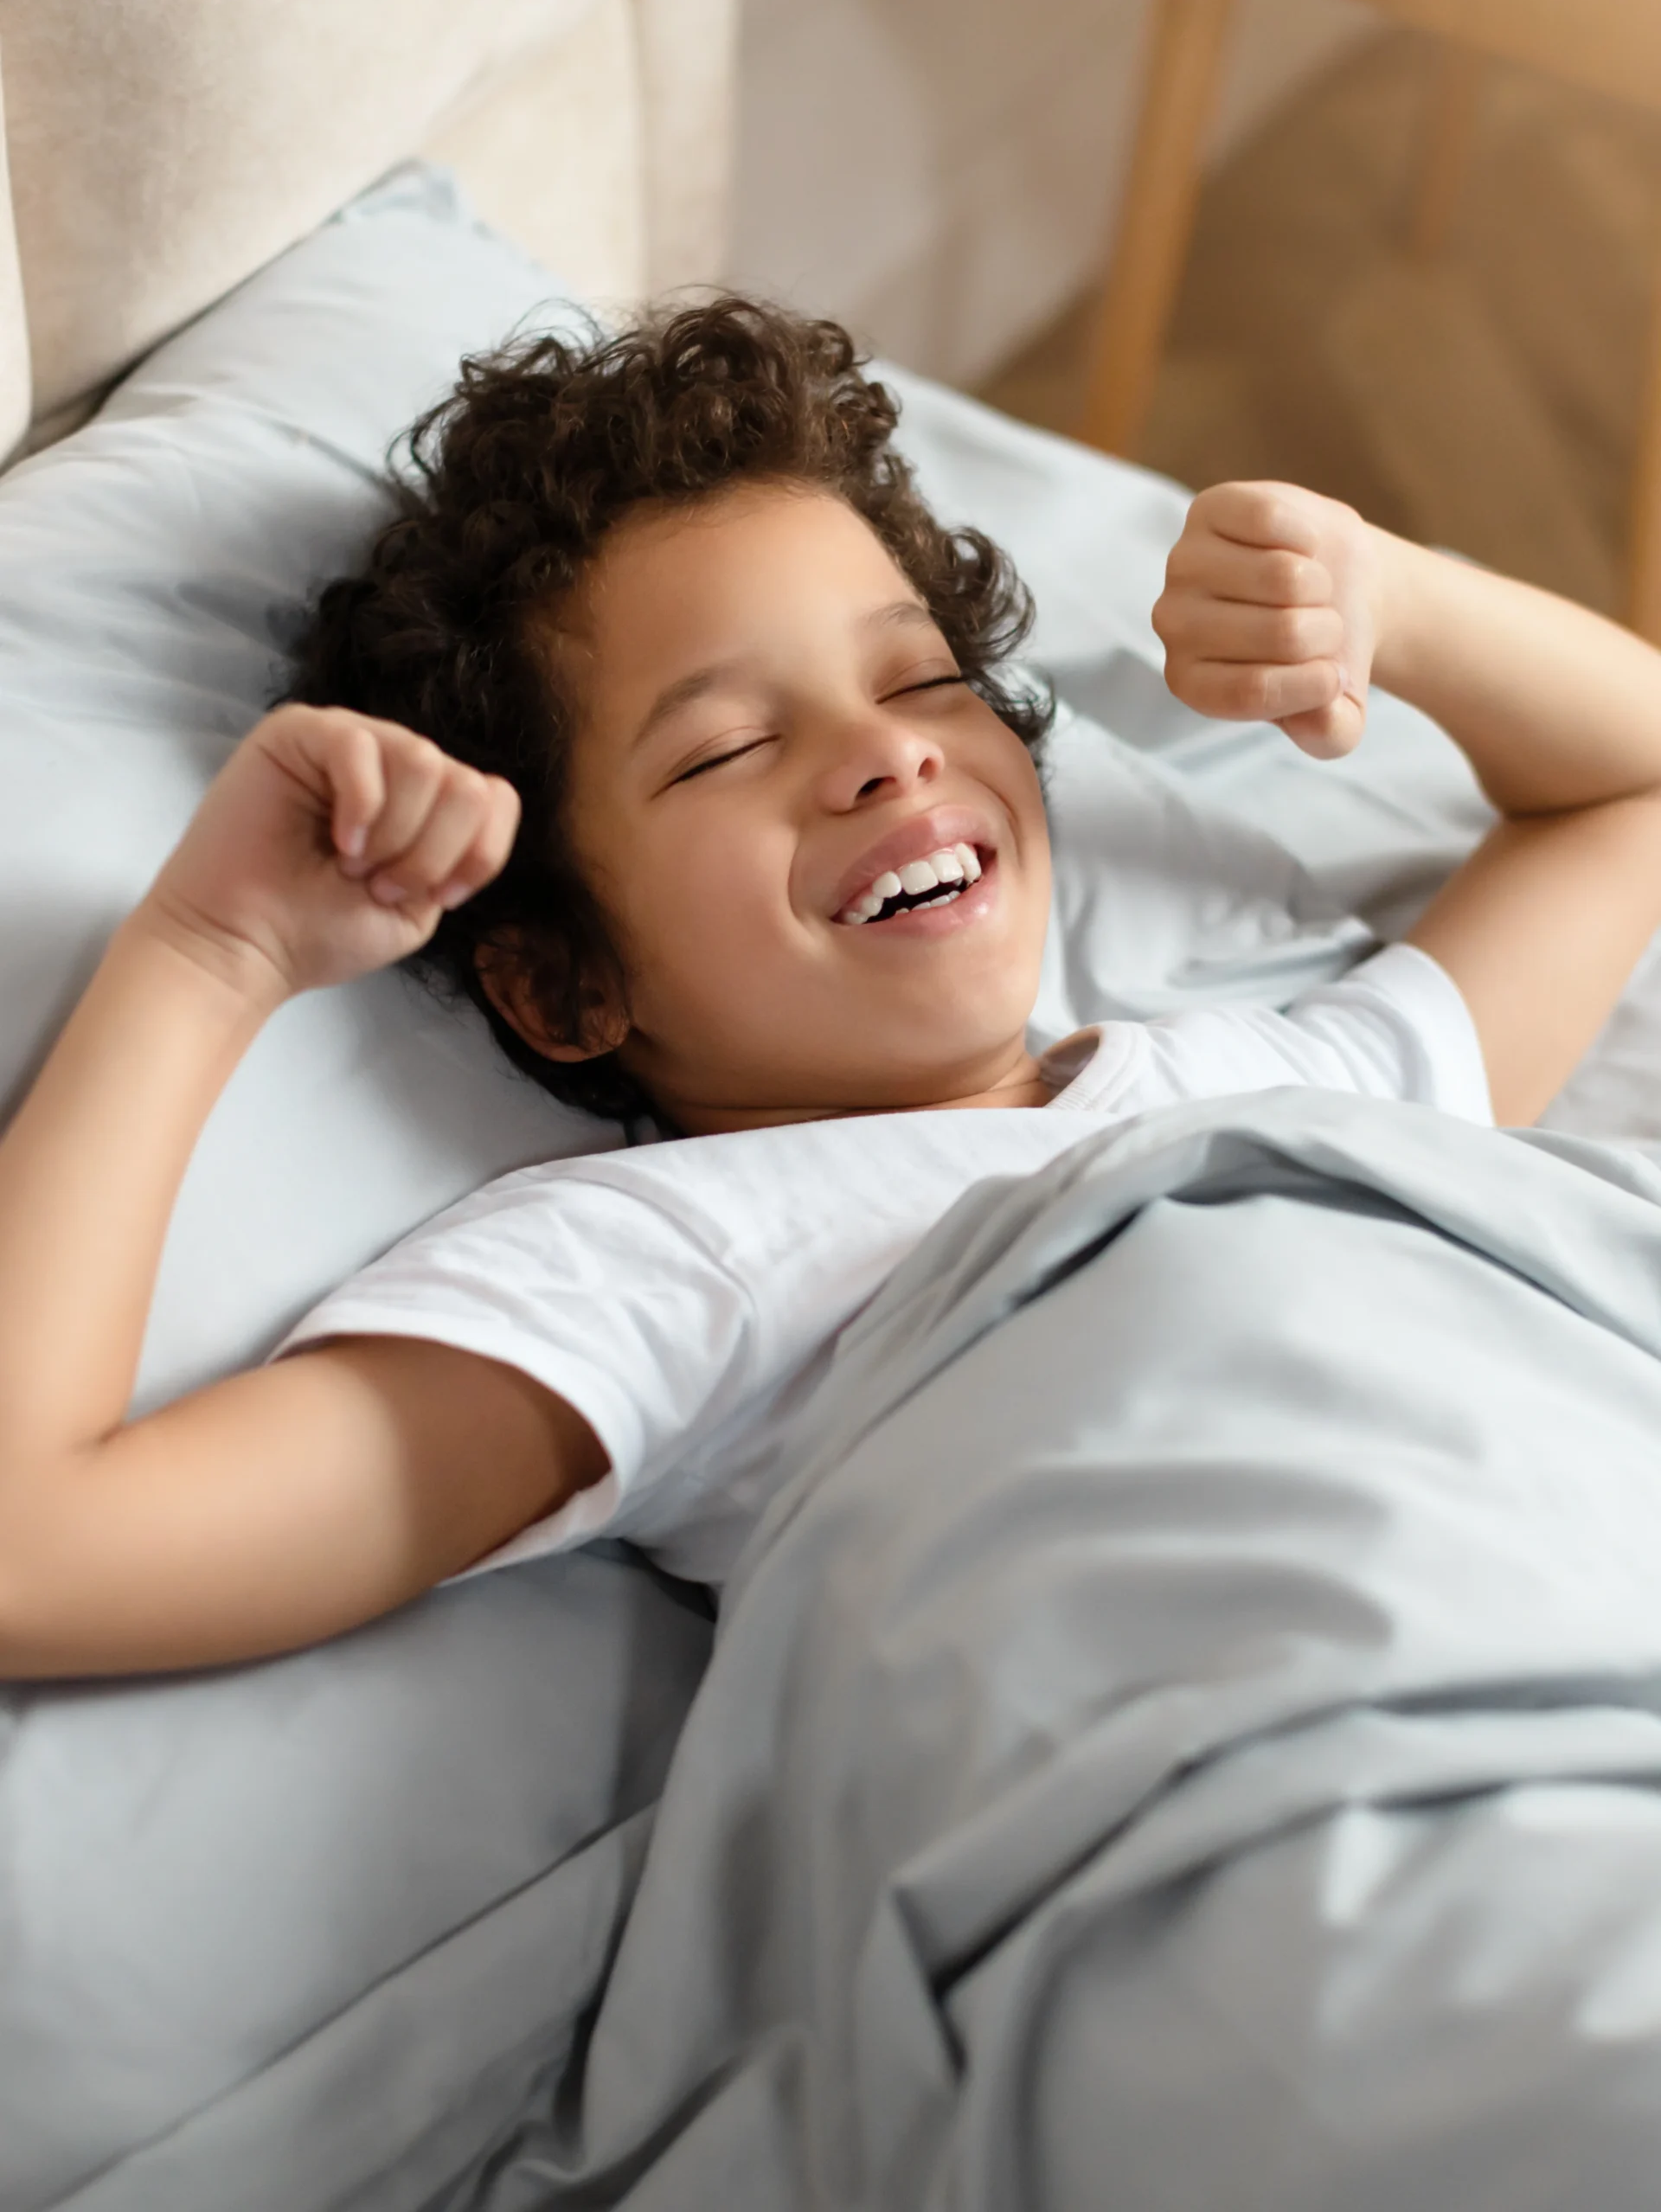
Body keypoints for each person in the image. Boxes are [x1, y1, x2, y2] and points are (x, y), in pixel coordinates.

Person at [3, 298, 1661, 1678]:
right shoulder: (653, 1264)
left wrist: (1391, 598)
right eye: (727, 747)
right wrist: (209, 956)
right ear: (565, 988)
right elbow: (37, 1555)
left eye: (926, 679)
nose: (885, 754)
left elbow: (1626, 792)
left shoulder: (1276, 1089)